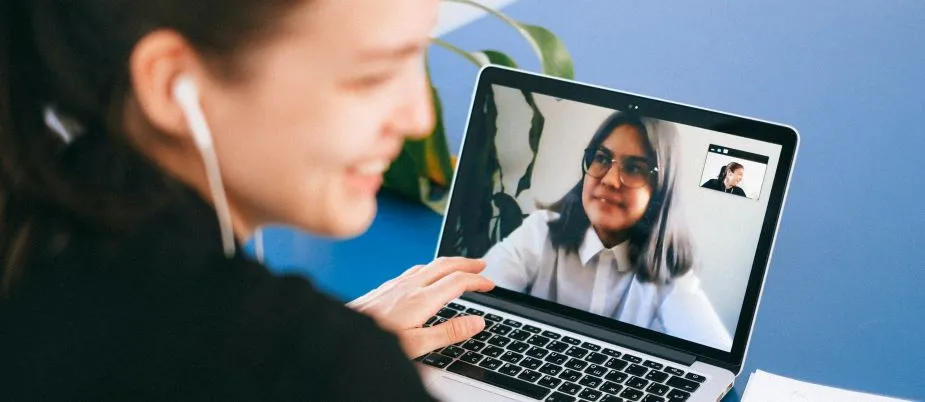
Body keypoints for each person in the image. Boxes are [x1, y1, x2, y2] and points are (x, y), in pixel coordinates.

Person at [0, 0, 495, 400]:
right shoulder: (321, 370)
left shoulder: (32, 228)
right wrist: (328, 362)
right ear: (174, 86)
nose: (419, 120)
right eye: (371, 76)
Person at [481, 111, 732, 350]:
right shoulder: (540, 232)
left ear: (660, 190)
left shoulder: (669, 273)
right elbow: (474, 297)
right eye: (601, 158)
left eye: (634, 168)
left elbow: (713, 357)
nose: (610, 180)